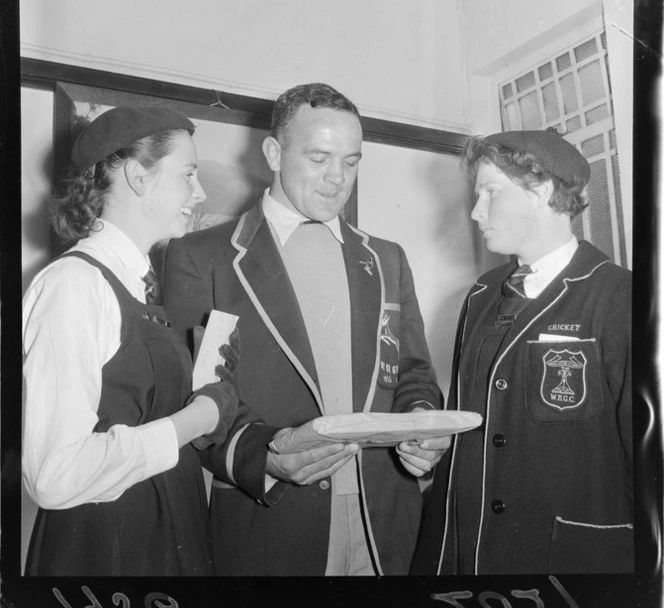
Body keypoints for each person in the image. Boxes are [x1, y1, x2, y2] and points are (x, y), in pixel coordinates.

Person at [162, 83, 449, 576]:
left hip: (385, 523)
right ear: (274, 152)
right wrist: (268, 459)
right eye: (319, 158)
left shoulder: (386, 259)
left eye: (351, 162)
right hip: (271, 527)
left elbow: (413, 374)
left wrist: (424, 426)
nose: (337, 179)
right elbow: (196, 395)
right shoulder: (201, 258)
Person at [22, 106, 239, 576]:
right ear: (139, 177)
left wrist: (201, 382)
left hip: (162, 536)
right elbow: (53, 476)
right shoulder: (73, 285)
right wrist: (195, 419)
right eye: (188, 175)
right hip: (109, 554)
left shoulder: (138, 285)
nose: (198, 193)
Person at [411, 129, 633, 575]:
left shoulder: (620, 295)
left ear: (542, 190)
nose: (476, 212)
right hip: (464, 554)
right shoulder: (481, 294)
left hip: (565, 563)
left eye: (490, 192)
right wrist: (432, 446)